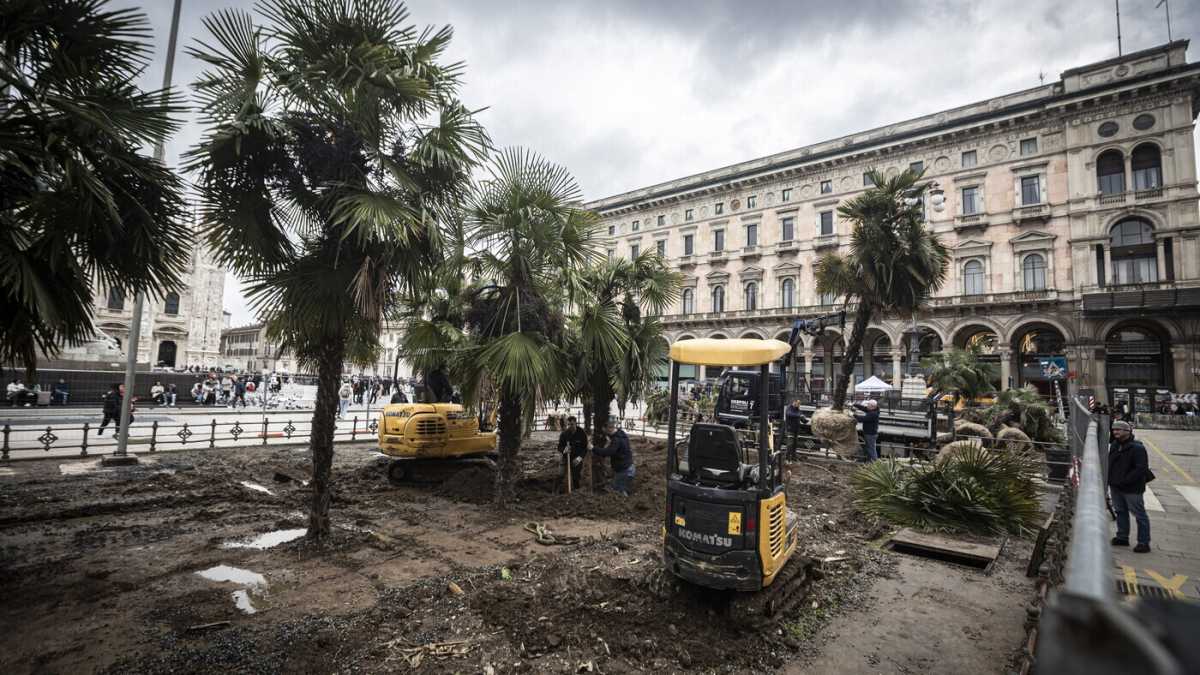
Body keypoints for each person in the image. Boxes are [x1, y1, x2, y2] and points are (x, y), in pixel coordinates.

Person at [1108, 421, 1152, 553]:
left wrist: (1125, 481)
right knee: (1120, 511)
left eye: (1119, 430)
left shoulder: (1137, 448)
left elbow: (1140, 469)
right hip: (1116, 486)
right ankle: (1122, 536)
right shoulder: (1115, 445)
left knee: (1139, 514)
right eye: (1114, 430)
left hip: (1132, 488)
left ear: (1128, 432)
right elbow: (1110, 463)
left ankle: (1143, 542)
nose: (1116, 432)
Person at [593, 419, 635, 496]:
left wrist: (593, 448)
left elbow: (608, 452)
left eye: (605, 431)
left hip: (624, 471)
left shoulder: (616, 440)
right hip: (629, 468)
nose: (605, 434)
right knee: (620, 489)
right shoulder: (621, 434)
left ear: (608, 428)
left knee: (617, 491)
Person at [556, 415, 589, 491]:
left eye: (572, 424)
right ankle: (556, 491)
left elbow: (585, 448)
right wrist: (564, 450)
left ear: (576, 423)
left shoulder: (581, 433)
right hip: (566, 457)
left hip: (577, 458)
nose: (570, 426)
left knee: (576, 476)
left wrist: (580, 458)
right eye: (569, 424)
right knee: (560, 474)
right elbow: (559, 447)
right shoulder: (564, 434)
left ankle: (576, 491)